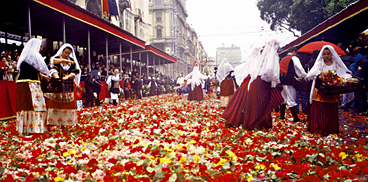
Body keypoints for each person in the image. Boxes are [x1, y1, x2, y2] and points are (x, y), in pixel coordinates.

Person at [222, 39, 283, 130]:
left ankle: (254, 122)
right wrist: (275, 81)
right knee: (258, 104)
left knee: (248, 104)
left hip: (249, 82)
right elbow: (269, 71)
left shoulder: (258, 60)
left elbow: (239, 71)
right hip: (259, 82)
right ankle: (256, 123)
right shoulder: (267, 58)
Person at [306, 45, 352, 136]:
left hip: (331, 90)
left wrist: (347, 78)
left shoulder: (335, 63)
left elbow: (342, 73)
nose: (326, 56)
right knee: (320, 109)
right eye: (324, 54)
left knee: (330, 110)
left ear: (332, 54)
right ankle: (319, 129)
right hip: (320, 90)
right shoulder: (320, 63)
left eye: (328, 54)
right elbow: (310, 74)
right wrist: (321, 73)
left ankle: (330, 129)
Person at [15, 38, 51, 135]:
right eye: (40, 47)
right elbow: (43, 68)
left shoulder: (25, 57)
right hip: (31, 84)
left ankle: (26, 128)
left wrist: (42, 76)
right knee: (33, 105)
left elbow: (34, 70)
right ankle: (34, 128)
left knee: (25, 105)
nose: (41, 49)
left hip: (22, 83)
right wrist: (48, 75)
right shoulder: (35, 56)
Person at [44, 43, 81, 130]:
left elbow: (75, 71)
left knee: (65, 105)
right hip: (57, 85)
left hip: (67, 85)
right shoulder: (55, 59)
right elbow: (52, 68)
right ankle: (50, 124)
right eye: (66, 53)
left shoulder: (71, 61)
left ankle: (64, 124)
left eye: (69, 53)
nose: (67, 55)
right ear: (62, 52)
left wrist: (67, 77)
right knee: (53, 104)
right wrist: (57, 78)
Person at [279, 47, 307, 122]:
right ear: (294, 51)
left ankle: (282, 116)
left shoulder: (283, 58)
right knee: (291, 98)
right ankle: (295, 118)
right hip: (289, 80)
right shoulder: (294, 58)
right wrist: (305, 76)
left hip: (282, 80)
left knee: (284, 98)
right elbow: (299, 68)